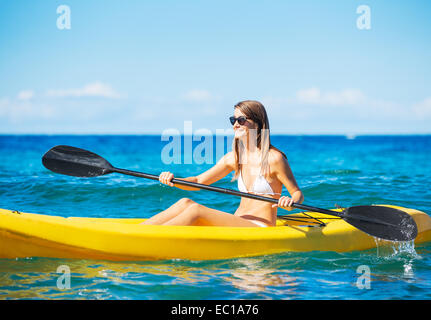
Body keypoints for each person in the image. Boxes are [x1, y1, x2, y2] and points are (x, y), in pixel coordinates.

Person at [142, 100, 304, 227]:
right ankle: (140, 232)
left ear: (258, 123)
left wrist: (290, 202)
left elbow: (297, 193)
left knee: (196, 210)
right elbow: (199, 181)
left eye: (241, 120)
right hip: (238, 221)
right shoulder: (234, 158)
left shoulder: (274, 159)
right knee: (185, 202)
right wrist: (173, 180)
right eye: (233, 119)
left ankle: (144, 241)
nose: (235, 124)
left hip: (260, 226)